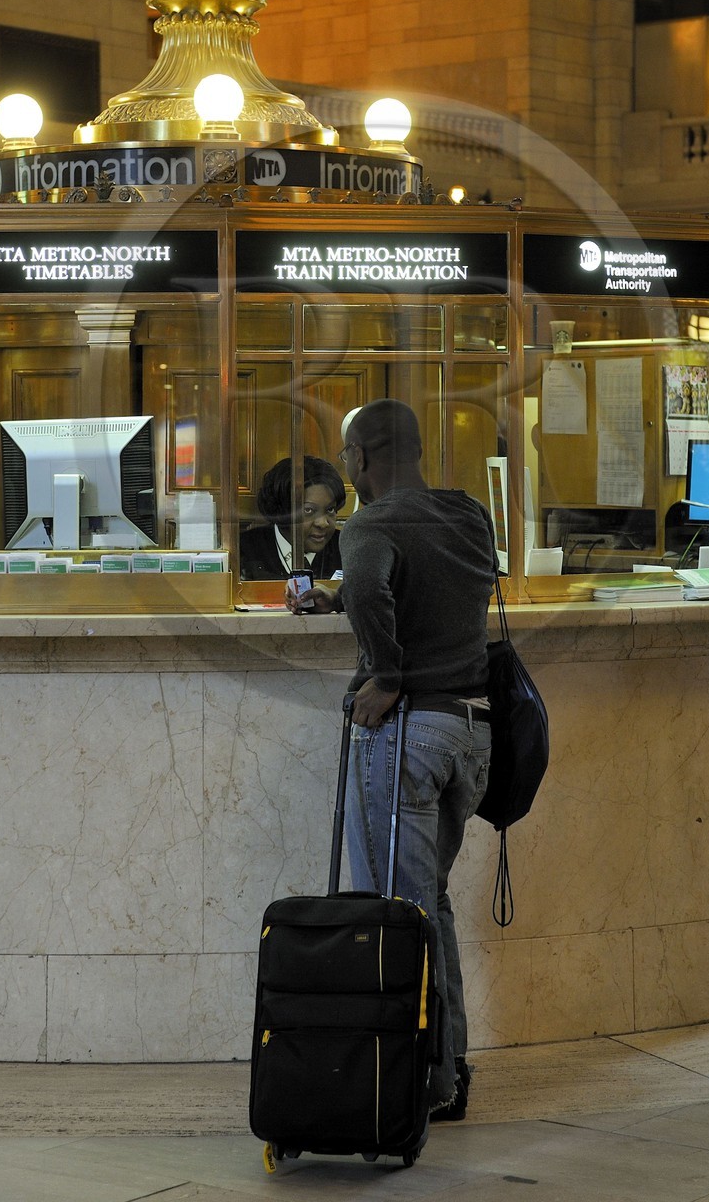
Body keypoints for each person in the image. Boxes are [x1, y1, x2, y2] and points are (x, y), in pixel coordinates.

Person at [287, 399, 495, 1120]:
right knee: (427, 904)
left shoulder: (369, 524)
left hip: (410, 737)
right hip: (471, 733)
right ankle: (447, 1069)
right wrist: (339, 598)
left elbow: (377, 588)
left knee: (393, 912)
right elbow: (419, 584)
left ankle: (415, 1083)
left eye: (348, 455)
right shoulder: (468, 513)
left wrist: (387, 674)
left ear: (360, 458)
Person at [238, 454, 345, 580]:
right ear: (282, 511)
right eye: (308, 510)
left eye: (330, 509)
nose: (323, 523)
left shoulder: (347, 549)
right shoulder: (244, 550)